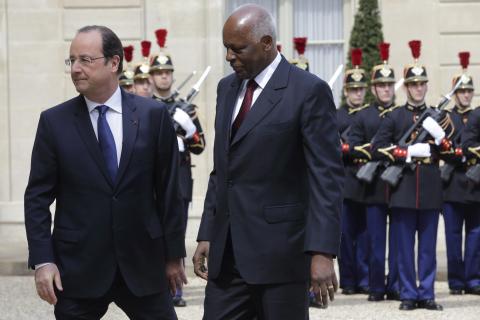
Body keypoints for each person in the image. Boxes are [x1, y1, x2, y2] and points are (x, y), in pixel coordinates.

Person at [24, 25, 186, 319]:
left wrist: (174, 255)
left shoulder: (153, 116)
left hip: (143, 265)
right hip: (78, 268)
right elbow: (36, 197)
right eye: (71, 60)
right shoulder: (53, 123)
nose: (75, 69)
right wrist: (43, 260)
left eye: (85, 60)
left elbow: (169, 191)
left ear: (114, 63)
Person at [192, 4, 344, 319]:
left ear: (266, 44)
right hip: (228, 256)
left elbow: (326, 179)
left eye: (237, 49)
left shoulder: (308, 91)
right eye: (226, 49)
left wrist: (322, 252)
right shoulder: (226, 88)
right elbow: (223, 169)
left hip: (281, 257)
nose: (229, 57)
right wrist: (208, 231)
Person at [373, 40, 450, 311]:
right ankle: (408, 293)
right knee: (404, 248)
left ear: (426, 86)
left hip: (429, 186)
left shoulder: (440, 117)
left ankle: (426, 293)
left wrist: (440, 140)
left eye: (422, 84)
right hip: (403, 187)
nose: (418, 88)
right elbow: (377, 149)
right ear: (406, 87)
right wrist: (406, 152)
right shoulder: (394, 117)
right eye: (413, 84)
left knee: (427, 248)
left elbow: (452, 151)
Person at [150, 29, 206, 307]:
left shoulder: (187, 109)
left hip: (181, 179)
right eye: (159, 73)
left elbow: (201, 146)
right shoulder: (143, 107)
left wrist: (188, 130)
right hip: (149, 181)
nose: (164, 77)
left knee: (176, 231)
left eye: (167, 72)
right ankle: (154, 287)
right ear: (151, 76)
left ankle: (176, 290)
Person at [349, 42, 400, 301]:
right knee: (375, 243)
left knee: (400, 244)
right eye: (381, 85)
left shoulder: (402, 115)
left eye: (390, 85)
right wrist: (379, 152)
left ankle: (397, 285)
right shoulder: (363, 116)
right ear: (373, 89)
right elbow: (353, 148)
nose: (386, 89)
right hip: (374, 186)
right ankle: (376, 286)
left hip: (401, 185)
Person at [444, 52, 480, 295]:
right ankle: (456, 280)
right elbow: (444, 150)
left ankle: (474, 278)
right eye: (462, 91)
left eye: (469, 91)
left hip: (476, 185)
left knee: (476, 235)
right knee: (453, 237)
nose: (466, 95)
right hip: (453, 183)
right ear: (455, 93)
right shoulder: (447, 117)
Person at [337, 48, 370, 296]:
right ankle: (348, 279)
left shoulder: (372, 115)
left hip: (368, 183)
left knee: (367, 235)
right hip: (346, 182)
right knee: (346, 236)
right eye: (353, 89)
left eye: (361, 89)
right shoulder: (337, 117)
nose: (357, 93)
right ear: (346, 91)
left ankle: (365, 278)